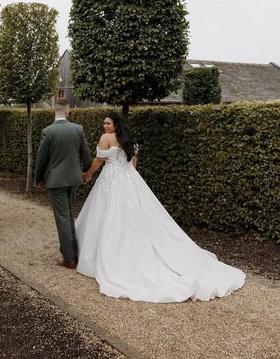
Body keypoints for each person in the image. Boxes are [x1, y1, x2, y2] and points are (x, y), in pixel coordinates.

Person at [75, 111, 246, 303]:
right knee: (131, 215)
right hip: (129, 179)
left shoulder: (105, 138)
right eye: (104, 124)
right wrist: (128, 176)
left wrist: (87, 174)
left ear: (115, 124)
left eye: (107, 123)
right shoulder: (127, 139)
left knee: (107, 215)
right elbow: (133, 162)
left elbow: (98, 160)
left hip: (111, 180)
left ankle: (106, 256)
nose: (105, 126)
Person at [34, 98, 91, 269]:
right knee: (68, 214)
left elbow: (41, 158)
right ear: (67, 111)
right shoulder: (78, 129)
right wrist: (86, 172)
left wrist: (38, 178)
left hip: (56, 181)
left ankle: (69, 259)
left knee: (62, 218)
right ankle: (73, 252)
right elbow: (86, 154)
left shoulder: (48, 131)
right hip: (74, 179)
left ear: (54, 110)